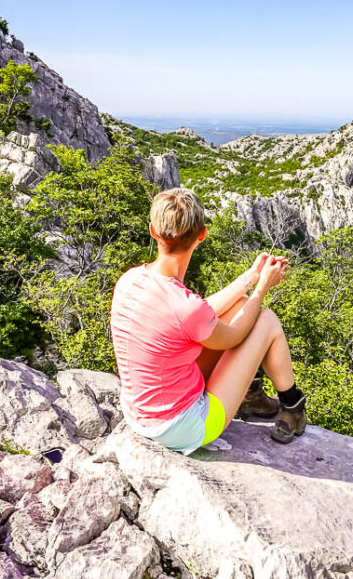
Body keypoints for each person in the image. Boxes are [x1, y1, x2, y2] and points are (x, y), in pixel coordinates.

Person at [111, 187, 306, 455]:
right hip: (181, 427)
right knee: (266, 320)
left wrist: (249, 277)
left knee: (239, 306)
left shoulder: (130, 280)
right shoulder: (185, 307)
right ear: (202, 235)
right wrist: (262, 288)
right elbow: (234, 336)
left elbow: (199, 314)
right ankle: (293, 406)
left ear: (153, 230)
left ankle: (251, 395)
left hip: (139, 413)